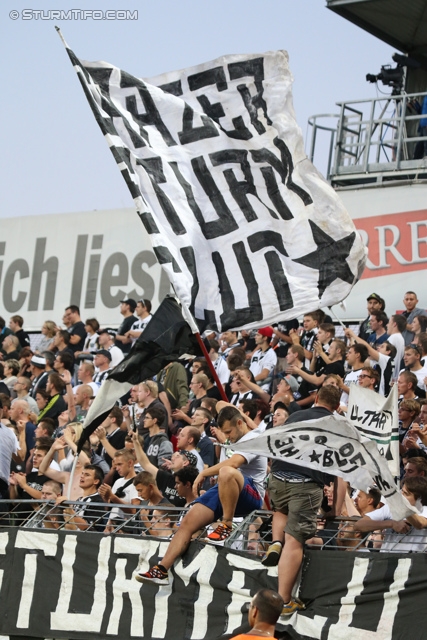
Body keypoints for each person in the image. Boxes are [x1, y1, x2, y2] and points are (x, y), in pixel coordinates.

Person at [135, 404, 266, 585]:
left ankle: (226, 524)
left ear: (239, 423)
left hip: (252, 495)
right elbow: (221, 405)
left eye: (229, 432)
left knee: (227, 471)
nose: (227, 437)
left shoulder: (254, 436)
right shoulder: (237, 432)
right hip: (226, 489)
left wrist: (204, 473)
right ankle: (162, 569)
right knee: (188, 520)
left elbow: (235, 463)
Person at [264, 386, 341, 616]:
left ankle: (275, 541)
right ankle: (285, 602)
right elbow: (334, 468)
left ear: (316, 399)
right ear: (336, 408)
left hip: (276, 477)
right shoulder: (337, 426)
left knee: (280, 509)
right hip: (306, 484)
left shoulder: (295, 415)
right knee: (295, 541)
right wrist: (331, 508)